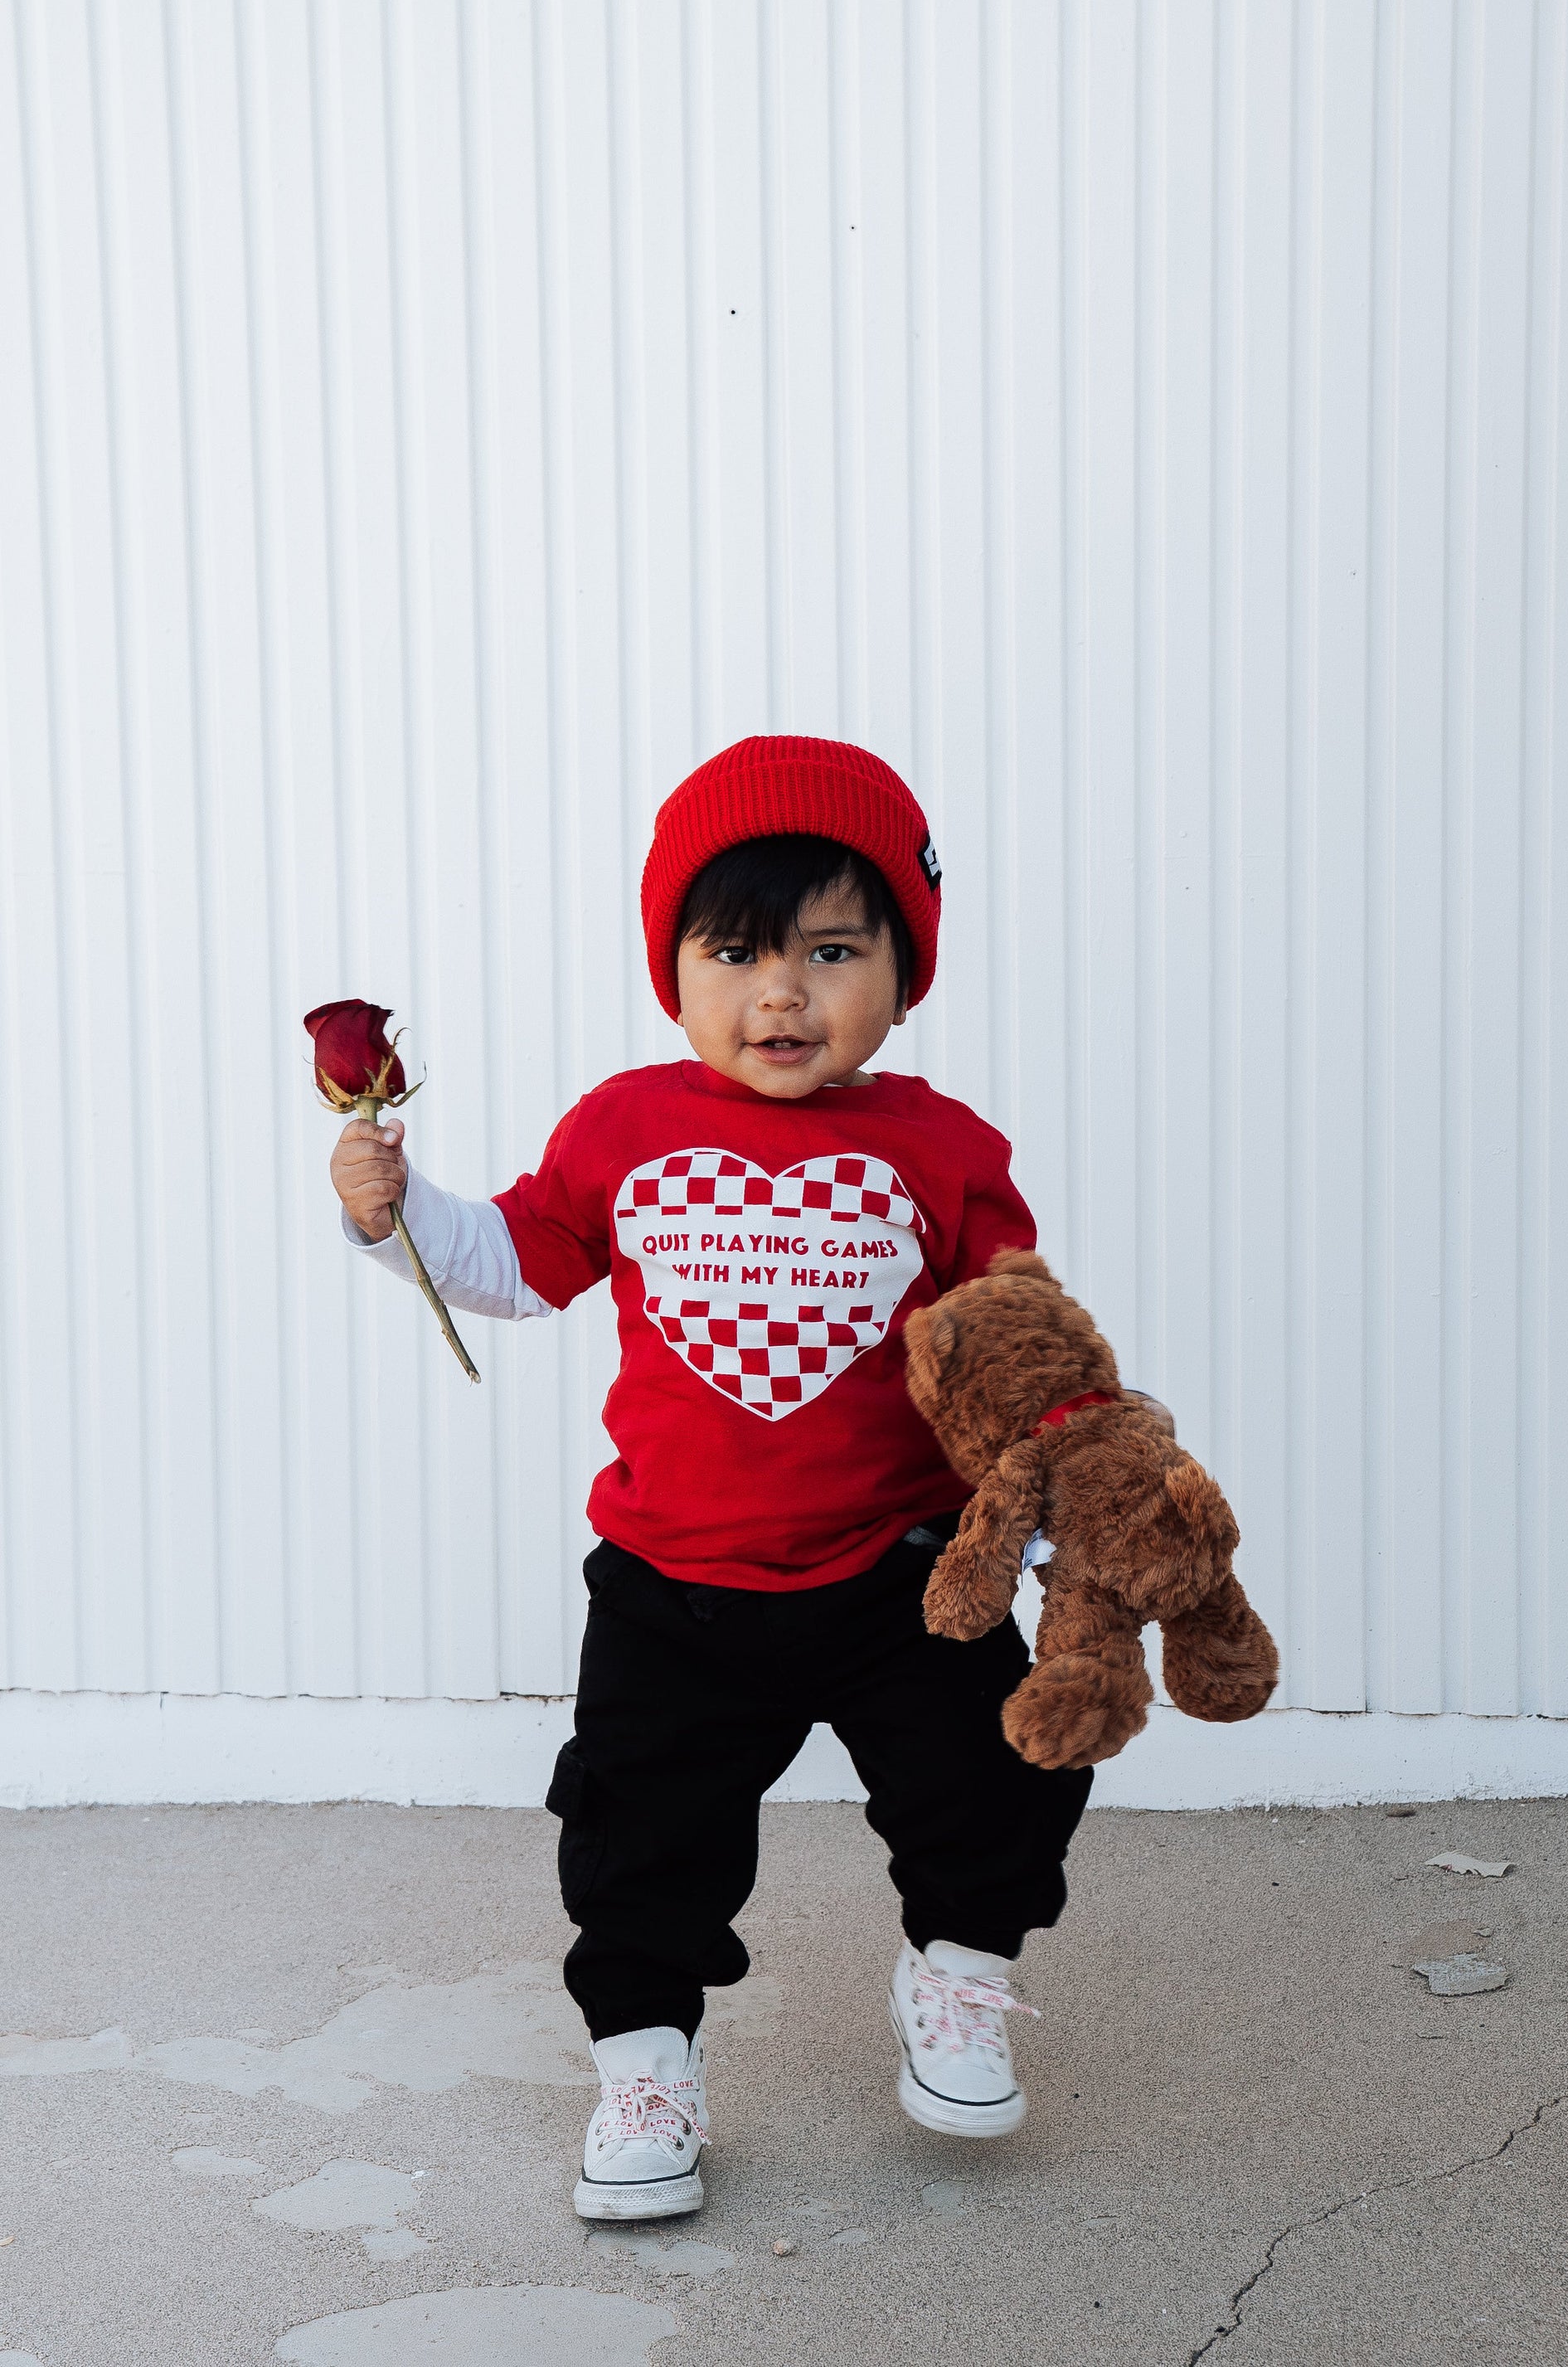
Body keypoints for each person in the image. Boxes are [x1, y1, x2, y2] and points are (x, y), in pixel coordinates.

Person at [330, 734, 1095, 2223]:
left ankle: (956, 1974)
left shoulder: (943, 1147)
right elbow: (520, 1263)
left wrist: (1076, 1466)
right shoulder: (627, 1128)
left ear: (905, 972)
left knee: (1001, 1772)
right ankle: (645, 2066)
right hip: (675, 1587)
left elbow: (1015, 1339)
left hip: (902, 1568)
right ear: (674, 971)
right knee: (640, 1838)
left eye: (832, 950)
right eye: (736, 953)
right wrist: (394, 1207)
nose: (782, 995)